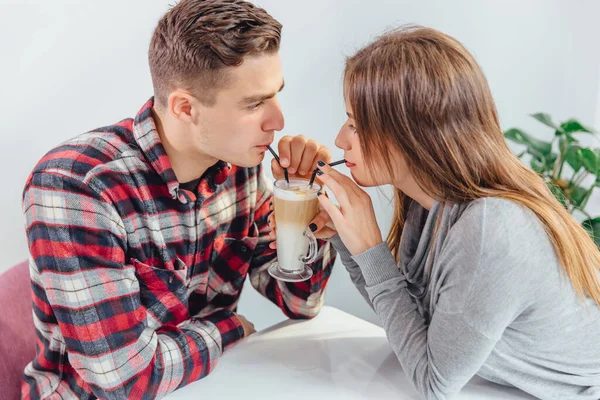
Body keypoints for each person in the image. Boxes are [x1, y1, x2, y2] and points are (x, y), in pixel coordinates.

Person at [21, 1, 336, 398]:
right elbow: (125, 381)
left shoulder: (241, 164)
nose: (279, 121)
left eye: (276, 95)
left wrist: (305, 217)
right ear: (185, 108)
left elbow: (299, 303)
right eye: (254, 103)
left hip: (207, 385)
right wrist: (227, 329)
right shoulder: (76, 186)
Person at [310, 26, 600, 400]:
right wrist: (346, 238)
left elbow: (434, 383)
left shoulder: (489, 228)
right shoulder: (429, 206)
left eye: (356, 123)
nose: (339, 139)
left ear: (410, 134)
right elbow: (412, 327)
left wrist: (371, 251)